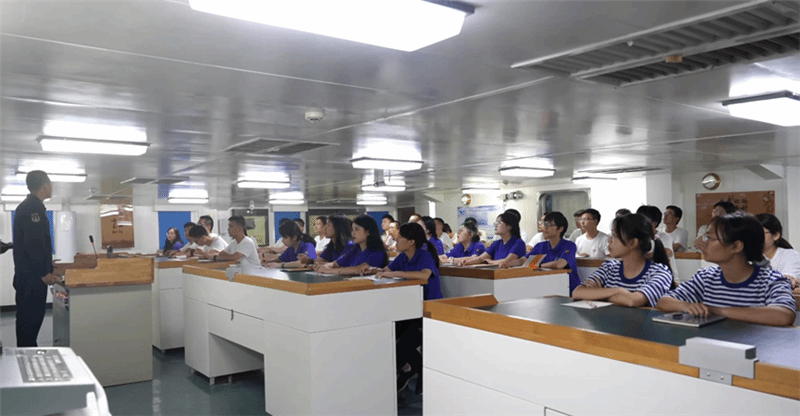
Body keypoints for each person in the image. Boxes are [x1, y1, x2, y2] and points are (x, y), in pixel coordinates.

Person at [657, 213, 796, 326]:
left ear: (736, 246)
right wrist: (685, 306)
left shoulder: (771, 280)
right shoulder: (706, 277)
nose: (701, 243)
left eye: (709, 238)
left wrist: (718, 311)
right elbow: (664, 301)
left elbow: (784, 315)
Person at [358, 222, 441, 394]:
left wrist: (394, 273)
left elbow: (424, 275)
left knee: (403, 347)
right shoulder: (403, 257)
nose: (396, 239)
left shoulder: (424, 255)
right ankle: (408, 372)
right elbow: (385, 270)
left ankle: (417, 373)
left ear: (411, 242)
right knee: (388, 339)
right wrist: (371, 270)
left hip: (428, 311)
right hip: (408, 310)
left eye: (401, 237)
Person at [573, 214, 673, 307]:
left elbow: (632, 300)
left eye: (615, 235)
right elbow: (577, 292)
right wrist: (619, 291)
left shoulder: (659, 272)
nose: (609, 240)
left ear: (633, 243)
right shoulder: (609, 267)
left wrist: (599, 294)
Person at [13, 171, 61, 347]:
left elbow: (33, 245)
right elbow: (34, 244)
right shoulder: (33, 209)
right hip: (31, 280)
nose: (51, 187)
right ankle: (26, 358)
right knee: (29, 325)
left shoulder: (30, 207)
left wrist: (48, 263)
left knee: (28, 325)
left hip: (29, 278)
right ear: (44, 186)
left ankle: (27, 355)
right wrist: (44, 272)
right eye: (50, 184)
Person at [501, 212, 581, 294]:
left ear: (560, 228)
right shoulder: (540, 246)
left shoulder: (569, 245)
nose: (545, 228)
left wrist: (536, 264)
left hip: (569, 289)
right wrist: (508, 264)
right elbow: (523, 260)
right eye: (544, 224)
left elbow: (559, 264)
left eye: (549, 225)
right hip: (547, 287)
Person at [315, 215, 388, 274]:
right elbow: (335, 264)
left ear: (368, 232)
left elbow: (358, 269)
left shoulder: (377, 253)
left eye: (357, 229)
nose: (353, 233)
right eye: (352, 230)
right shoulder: (354, 250)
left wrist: (328, 270)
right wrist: (324, 266)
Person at [455, 212, 526, 266]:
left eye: (499, 222)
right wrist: (466, 262)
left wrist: (491, 262)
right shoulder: (497, 243)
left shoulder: (519, 243)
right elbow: (480, 258)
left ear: (509, 226)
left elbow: (507, 261)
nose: (496, 225)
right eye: (496, 222)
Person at [756, 213, 800, 294]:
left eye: (760, 232)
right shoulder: (746, 257)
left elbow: (785, 281)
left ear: (776, 235)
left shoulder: (790, 256)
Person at [636, 205, 677, 280]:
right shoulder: (637, 238)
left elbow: (666, 253)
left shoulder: (664, 237)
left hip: (666, 279)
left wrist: (639, 256)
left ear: (654, 223)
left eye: (642, 220)